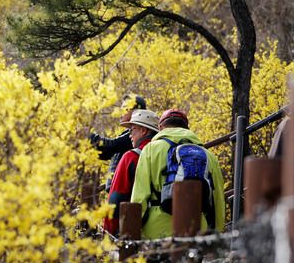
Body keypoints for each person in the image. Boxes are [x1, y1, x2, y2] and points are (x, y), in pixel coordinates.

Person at [131, 109, 225, 240]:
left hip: (157, 232)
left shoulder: (150, 149)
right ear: (187, 128)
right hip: (196, 229)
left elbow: (139, 195)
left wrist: (133, 231)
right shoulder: (208, 155)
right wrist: (216, 231)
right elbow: (217, 198)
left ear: (160, 128)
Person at [103, 109, 159, 236]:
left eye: (131, 129)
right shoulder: (166, 154)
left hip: (134, 229)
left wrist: (107, 232)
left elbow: (116, 198)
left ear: (143, 130)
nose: (129, 135)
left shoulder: (131, 157)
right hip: (167, 227)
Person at [85, 94, 147, 192]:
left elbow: (111, 145)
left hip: (122, 191)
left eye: (125, 109)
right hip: (116, 189)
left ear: (136, 111)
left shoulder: (136, 133)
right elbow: (107, 153)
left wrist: (89, 135)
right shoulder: (128, 132)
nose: (120, 113)